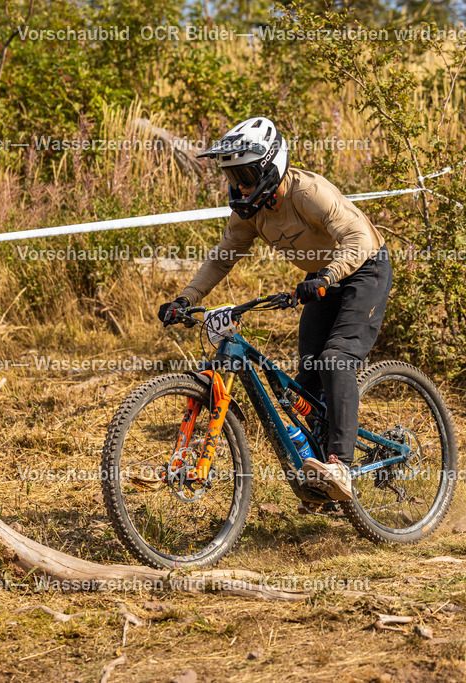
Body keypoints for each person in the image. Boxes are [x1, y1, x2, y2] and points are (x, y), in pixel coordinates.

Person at [157, 117, 393, 503]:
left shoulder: (309, 192)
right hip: (323, 278)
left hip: (363, 267)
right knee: (307, 380)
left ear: (271, 165)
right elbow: (221, 259)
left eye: (247, 174)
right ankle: (321, 484)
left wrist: (328, 274)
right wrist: (186, 299)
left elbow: (360, 237)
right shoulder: (249, 211)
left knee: (336, 359)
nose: (240, 186)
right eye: (233, 177)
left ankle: (341, 467)